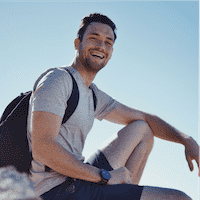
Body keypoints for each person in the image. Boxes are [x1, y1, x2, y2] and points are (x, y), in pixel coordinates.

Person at [27, 13, 199, 200]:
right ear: (77, 43)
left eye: (108, 42)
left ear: (111, 52)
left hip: (77, 181)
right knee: (179, 198)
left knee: (142, 129)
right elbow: (43, 148)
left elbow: (144, 117)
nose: (101, 46)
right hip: (53, 191)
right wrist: (104, 176)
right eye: (94, 38)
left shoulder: (92, 94)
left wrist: (186, 140)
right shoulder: (58, 80)